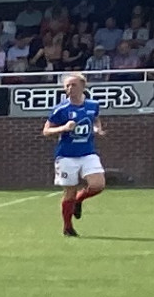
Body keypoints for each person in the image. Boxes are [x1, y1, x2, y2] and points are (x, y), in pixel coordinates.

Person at [46, 69, 108, 237]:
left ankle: (79, 200)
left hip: (88, 153)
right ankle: (67, 227)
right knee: (69, 192)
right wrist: (64, 128)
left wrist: (97, 129)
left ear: (82, 86)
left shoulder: (93, 105)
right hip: (66, 155)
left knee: (98, 185)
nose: (69, 88)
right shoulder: (61, 109)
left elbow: (95, 119)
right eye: (67, 86)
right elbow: (46, 131)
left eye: (73, 85)